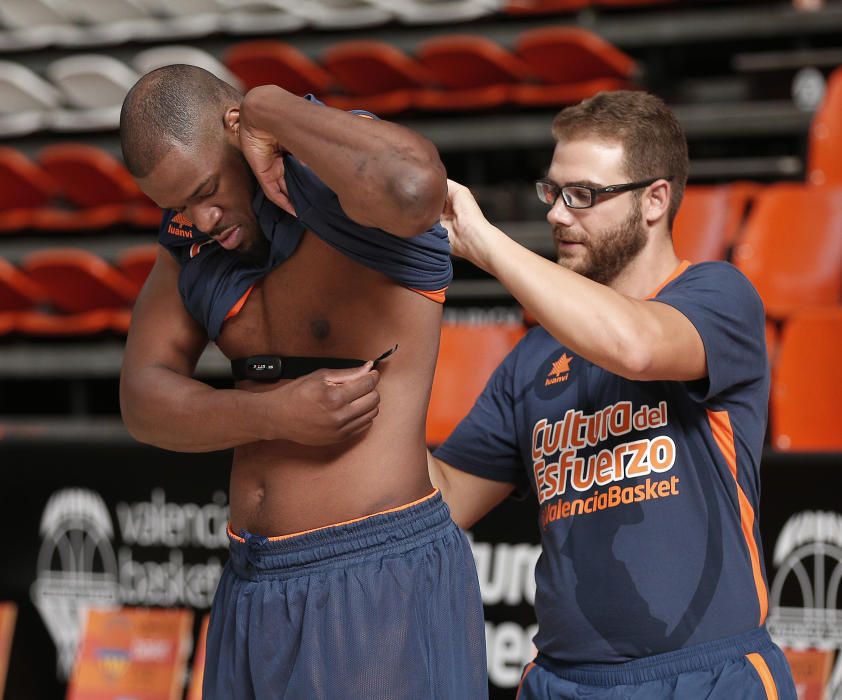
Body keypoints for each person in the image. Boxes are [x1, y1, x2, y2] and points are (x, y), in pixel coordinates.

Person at [119, 65, 487, 699]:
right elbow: (143, 399)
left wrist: (268, 107)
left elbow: (414, 188)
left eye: (207, 189)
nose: (200, 218)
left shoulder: (338, 178)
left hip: (373, 577)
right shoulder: (196, 240)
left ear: (240, 132)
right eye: (177, 206)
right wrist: (272, 414)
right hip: (251, 584)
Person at [428, 90, 796, 699]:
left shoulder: (718, 295)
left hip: (706, 675)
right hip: (562, 680)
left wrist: (484, 242)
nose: (557, 214)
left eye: (585, 196)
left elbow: (637, 347)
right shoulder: (532, 358)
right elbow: (442, 504)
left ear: (655, 200)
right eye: (554, 192)